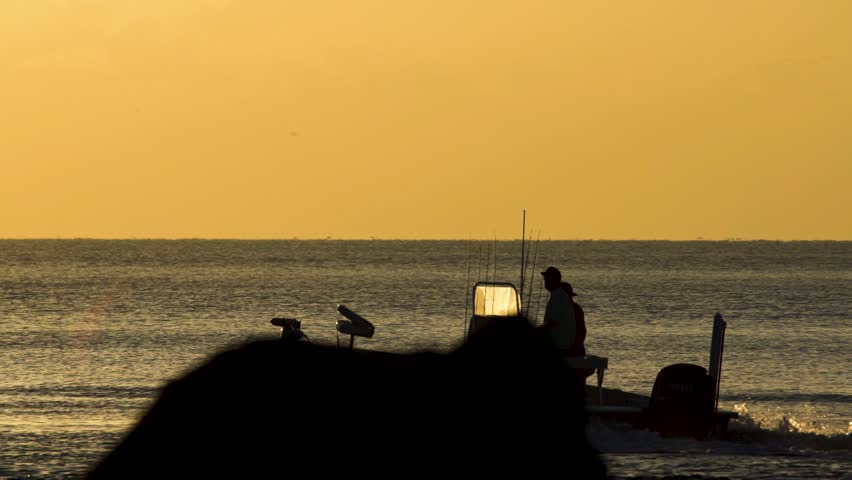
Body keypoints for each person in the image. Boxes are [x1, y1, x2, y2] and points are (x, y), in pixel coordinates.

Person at [539, 266, 576, 352]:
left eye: (547, 278)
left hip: (560, 346)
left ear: (554, 279)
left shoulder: (558, 297)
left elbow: (551, 322)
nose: (545, 280)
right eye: (545, 278)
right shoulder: (557, 295)